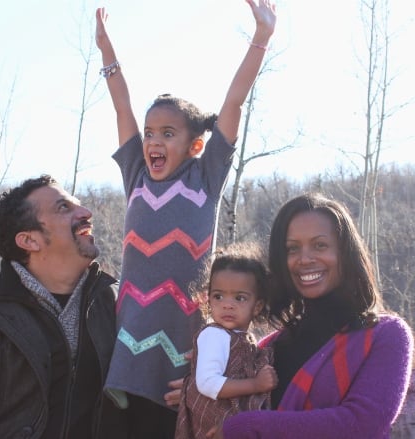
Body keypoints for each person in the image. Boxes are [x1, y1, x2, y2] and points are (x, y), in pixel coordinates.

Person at [94, 1, 277, 437]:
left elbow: (234, 101)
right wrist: (107, 52)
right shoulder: (136, 174)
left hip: (184, 334)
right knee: (121, 425)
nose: (153, 141)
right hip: (130, 332)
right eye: (150, 133)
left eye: (168, 134)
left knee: (170, 421)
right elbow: (122, 107)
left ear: (195, 145)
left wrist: (261, 38)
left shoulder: (205, 176)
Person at [0, 175, 129, 439]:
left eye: (78, 204)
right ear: (30, 241)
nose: (86, 212)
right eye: (64, 207)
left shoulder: (119, 303)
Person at [212, 193, 414, 439]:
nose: (304, 259)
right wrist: (201, 384)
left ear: (345, 253)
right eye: (292, 248)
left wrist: (246, 427)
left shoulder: (385, 334)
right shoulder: (269, 346)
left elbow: (362, 423)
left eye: (320, 245)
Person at [175, 243, 277, 439]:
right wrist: (256, 385)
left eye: (239, 298)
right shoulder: (215, 335)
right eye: (218, 296)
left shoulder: (243, 339)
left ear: (257, 306)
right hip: (212, 425)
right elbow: (207, 383)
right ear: (209, 300)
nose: (227, 305)